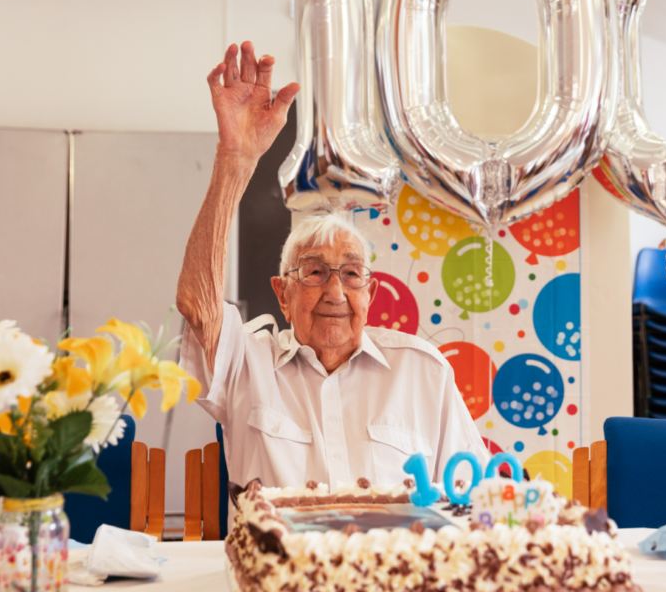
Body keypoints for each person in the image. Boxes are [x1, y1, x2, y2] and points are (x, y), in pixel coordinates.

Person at [176, 42, 487, 492]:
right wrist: (235, 159)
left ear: (370, 293)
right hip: (281, 562)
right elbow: (197, 304)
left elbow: (471, 495)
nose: (336, 292)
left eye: (352, 273)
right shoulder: (248, 365)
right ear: (282, 293)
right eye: (315, 272)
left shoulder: (424, 372)